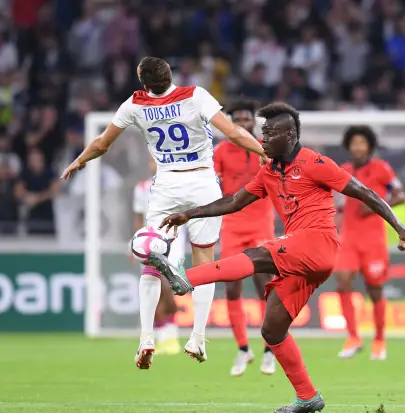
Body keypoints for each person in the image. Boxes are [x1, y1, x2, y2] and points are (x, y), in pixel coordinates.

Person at [149, 103, 405, 413]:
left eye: (269, 133)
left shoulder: (315, 162)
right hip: (301, 258)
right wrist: (189, 214)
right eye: (263, 133)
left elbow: (365, 193)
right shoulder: (268, 171)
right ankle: (307, 396)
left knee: (256, 254)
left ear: (289, 135)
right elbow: (235, 201)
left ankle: (185, 279)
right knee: (272, 329)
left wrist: (400, 227)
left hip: (318, 242)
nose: (262, 139)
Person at [61, 57, 267, 370]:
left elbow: (102, 144)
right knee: (204, 260)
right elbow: (235, 132)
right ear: (170, 75)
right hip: (202, 183)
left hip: (166, 186)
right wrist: (262, 151)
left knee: (150, 258)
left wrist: (80, 160)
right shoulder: (195, 95)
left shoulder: (135, 104)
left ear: (143, 81)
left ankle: (146, 337)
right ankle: (197, 337)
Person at [214, 99, 276, 377]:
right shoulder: (220, 152)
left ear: (253, 121)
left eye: (246, 118)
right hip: (231, 226)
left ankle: (270, 350)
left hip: (261, 225)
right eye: (236, 119)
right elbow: (212, 184)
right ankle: (242, 348)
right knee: (231, 288)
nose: (242, 123)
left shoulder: (266, 149)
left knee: (264, 285)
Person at [335, 126, 405, 360]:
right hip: (349, 238)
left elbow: (400, 196)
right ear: (349, 146)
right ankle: (353, 337)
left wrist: (377, 205)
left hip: (373, 240)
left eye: (362, 143)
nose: (358, 147)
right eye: (354, 143)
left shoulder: (382, 169)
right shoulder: (343, 171)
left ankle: (379, 340)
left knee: (375, 290)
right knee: (343, 282)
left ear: (369, 146)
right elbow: (337, 204)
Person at [132, 155, 185, 355]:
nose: (153, 164)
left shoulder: (179, 186)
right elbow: (138, 219)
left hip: (173, 244)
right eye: (151, 160)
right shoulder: (142, 188)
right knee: (154, 289)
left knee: (168, 286)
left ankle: (170, 334)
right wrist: (134, 246)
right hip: (148, 246)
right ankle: (164, 336)